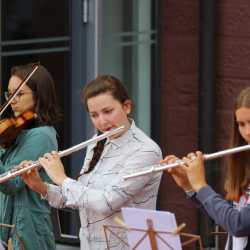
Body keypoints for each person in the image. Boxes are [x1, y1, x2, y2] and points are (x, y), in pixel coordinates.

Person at [22, 75, 162, 250]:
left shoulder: (145, 151)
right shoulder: (97, 142)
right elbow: (82, 198)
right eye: (94, 115)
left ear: (127, 106)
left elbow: (106, 203)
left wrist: (61, 178)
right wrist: (40, 186)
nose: (102, 122)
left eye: (108, 111)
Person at [162, 87, 250, 250]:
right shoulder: (245, 166)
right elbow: (225, 216)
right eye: (241, 124)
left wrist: (201, 185)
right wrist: (190, 186)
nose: (247, 132)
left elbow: (238, 224)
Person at [0, 63, 60, 249]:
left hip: (27, 232)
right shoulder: (16, 132)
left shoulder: (41, 135)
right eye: (9, 94)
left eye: (19, 93)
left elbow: (12, 183)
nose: (12, 100)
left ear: (38, 94)